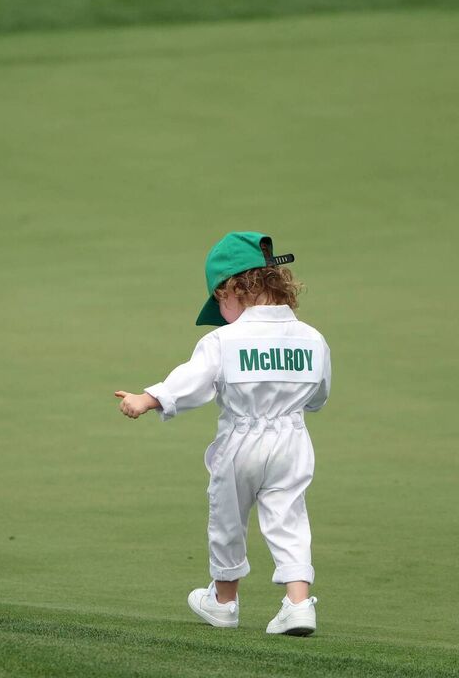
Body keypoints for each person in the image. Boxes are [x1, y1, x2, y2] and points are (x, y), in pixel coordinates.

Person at [114, 232, 332, 636]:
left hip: (241, 439)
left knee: (228, 519)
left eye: (218, 301)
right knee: (289, 518)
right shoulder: (312, 338)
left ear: (233, 288)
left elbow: (192, 381)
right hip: (292, 439)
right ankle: (299, 604)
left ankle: (224, 602)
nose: (220, 310)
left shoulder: (222, 340)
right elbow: (319, 395)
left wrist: (148, 399)